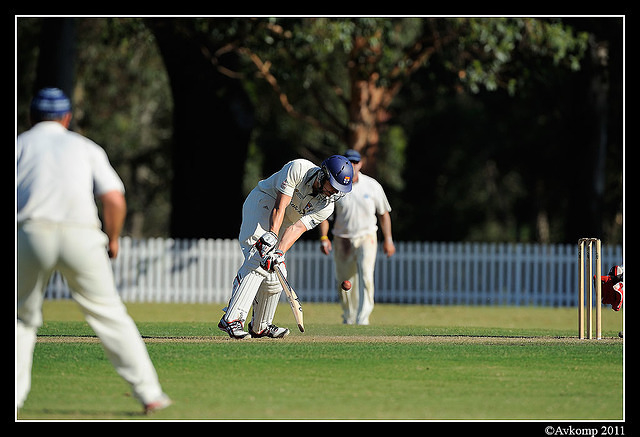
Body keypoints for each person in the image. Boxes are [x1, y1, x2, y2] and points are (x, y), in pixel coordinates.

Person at [16, 88, 171, 414]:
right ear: (67, 118)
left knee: (21, 319)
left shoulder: (20, 145)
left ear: (31, 117)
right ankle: (151, 394)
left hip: (31, 232)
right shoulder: (84, 146)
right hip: (82, 235)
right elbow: (114, 198)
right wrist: (112, 238)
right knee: (110, 314)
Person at [219, 155, 353, 339]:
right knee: (258, 256)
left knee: (276, 269)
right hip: (264, 203)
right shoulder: (299, 168)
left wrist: (279, 252)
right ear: (324, 175)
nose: (335, 192)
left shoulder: (326, 206)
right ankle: (231, 319)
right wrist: (271, 237)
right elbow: (279, 207)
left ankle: (260, 326)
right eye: (333, 186)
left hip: (285, 222)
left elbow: (296, 227)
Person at [319, 149, 395, 325]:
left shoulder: (372, 186)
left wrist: (388, 240)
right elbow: (325, 217)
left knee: (366, 275)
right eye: (349, 162)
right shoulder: (336, 185)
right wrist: (324, 238)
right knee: (344, 281)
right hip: (342, 238)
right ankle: (349, 316)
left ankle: (363, 319)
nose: (352, 165)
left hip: (366, 236)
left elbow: (384, 214)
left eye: (355, 162)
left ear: (361, 164)